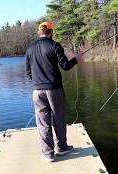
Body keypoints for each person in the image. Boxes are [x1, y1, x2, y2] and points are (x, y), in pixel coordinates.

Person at [26, 22, 82, 162]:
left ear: (40, 32)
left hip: (37, 91)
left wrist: (38, 81)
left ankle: (48, 153)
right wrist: (76, 60)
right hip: (54, 89)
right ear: (51, 32)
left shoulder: (30, 48)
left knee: (43, 122)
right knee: (58, 118)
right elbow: (65, 66)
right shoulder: (54, 45)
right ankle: (61, 148)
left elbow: (28, 72)